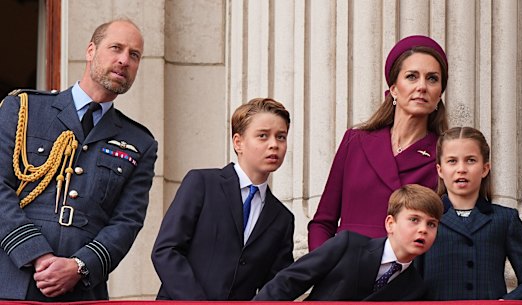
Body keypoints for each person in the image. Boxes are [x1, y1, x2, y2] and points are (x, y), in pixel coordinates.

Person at [0, 19, 157, 301]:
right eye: (116, 48)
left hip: (81, 290)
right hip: (12, 279)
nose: (124, 60)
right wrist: (37, 254)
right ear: (90, 50)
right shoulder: (24, 108)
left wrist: (79, 267)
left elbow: (127, 222)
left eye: (134, 55)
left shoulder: (140, 143)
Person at [308, 35, 450, 251]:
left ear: (439, 93)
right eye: (412, 77)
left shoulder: (445, 156)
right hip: (344, 274)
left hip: (405, 277)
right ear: (393, 88)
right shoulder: (355, 141)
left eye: (432, 79)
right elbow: (322, 223)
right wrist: (324, 270)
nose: (422, 86)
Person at [151, 98, 294, 300]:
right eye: (263, 136)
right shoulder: (202, 183)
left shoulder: (282, 218)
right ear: (238, 142)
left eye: (281, 137)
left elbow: (276, 285)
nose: (274, 145)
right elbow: (166, 250)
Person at [253, 184, 443, 301]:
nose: (423, 229)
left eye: (432, 224)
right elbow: (289, 281)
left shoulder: (416, 289)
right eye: (414, 220)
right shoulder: (348, 245)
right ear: (390, 223)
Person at [420, 126, 522, 300]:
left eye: (470, 160)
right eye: (452, 161)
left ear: (485, 168)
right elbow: (410, 282)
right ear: (440, 170)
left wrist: (503, 304)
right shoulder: (425, 218)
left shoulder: (505, 219)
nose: (461, 169)